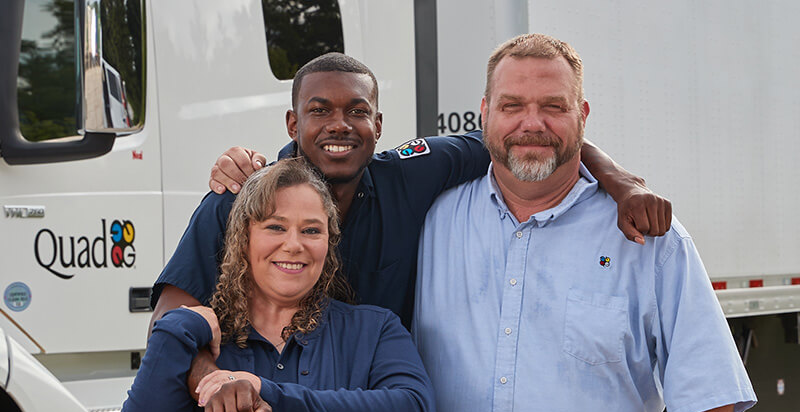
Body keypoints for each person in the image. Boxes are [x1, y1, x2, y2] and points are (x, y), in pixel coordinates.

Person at [412, 33, 756, 412]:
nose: (531, 123)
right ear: (485, 113)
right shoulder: (431, 223)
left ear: (583, 115)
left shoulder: (649, 241)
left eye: (553, 106)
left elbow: (709, 402)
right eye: (511, 106)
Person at [151, 53, 672, 336]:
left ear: (379, 124)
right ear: (293, 120)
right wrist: (206, 379)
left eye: (356, 111)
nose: (340, 126)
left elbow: (528, 133)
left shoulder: (412, 174)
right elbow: (171, 311)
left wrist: (620, 182)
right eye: (320, 111)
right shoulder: (240, 196)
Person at [116, 159, 435, 412]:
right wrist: (175, 330)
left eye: (311, 230)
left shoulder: (375, 330)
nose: (294, 245)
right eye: (275, 227)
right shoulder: (200, 347)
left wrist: (269, 394)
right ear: (243, 237)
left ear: (329, 241)